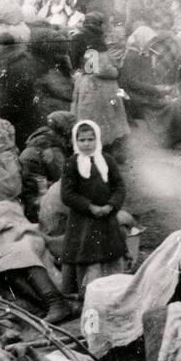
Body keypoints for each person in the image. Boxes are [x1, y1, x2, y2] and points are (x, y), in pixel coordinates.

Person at [59, 120, 128, 297]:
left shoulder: (107, 161)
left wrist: (111, 205)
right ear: (76, 142)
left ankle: (113, 291)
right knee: (88, 255)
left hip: (106, 218)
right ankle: (87, 293)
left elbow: (119, 187)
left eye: (91, 139)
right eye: (82, 140)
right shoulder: (72, 163)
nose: (87, 144)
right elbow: (67, 194)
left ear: (97, 140)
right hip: (83, 220)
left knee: (110, 253)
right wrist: (89, 206)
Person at [71, 45, 129, 157]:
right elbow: (105, 69)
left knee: (90, 121)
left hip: (88, 87)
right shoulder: (102, 54)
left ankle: (91, 150)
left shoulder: (84, 46)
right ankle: (107, 152)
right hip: (104, 90)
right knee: (108, 124)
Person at [18, 111, 73, 222]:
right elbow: (62, 178)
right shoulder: (52, 148)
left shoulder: (41, 138)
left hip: (27, 191)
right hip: (36, 197)